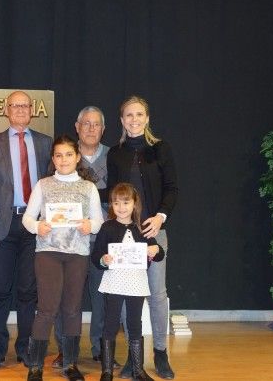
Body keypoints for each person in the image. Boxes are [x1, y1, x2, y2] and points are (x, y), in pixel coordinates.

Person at [107, 96, 178, 380]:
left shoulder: (161, 149)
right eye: (128, 115)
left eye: (139, 115)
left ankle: (160, 353)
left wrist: (160, 216)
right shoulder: (115, 153)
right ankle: (132, 358)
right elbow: (112, 193)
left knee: (157, 296)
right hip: (126, 237)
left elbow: (172, 188)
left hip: (153, 232)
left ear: (147, 118)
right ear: (122, 120)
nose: (134, 120)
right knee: (128, 296)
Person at [0, 91, 53, 370]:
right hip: (2, 224)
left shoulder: (46, 143)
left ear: (32, 110)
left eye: (25, 105)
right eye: (15, 105)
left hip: (35, 225)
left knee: (28, 291)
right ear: (6, 110)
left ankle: (25, 347)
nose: (21, 109)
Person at [23, 135, 104, 381]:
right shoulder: (43, 185)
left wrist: (90, 225)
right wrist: (38, 227)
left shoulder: (88, 187)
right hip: (48, 252)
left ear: (77, 157)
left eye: (68, 154)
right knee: (46, 308)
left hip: (77, 254)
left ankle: (70, 363)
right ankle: (35, 366)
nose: (63, 159)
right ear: (53, 159)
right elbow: (27, 218)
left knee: (72, 309)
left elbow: (99, 221)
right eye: (58, 155)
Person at [51, 106, 121, 370]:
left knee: (102, 296)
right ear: (77, 127)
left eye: (96, 125)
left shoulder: (114, 158)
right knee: (66, 299)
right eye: (86, 124)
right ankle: (65, 350)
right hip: (69, 242)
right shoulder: (66, 157)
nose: (91, 129)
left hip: (104, 241)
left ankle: (101, 349)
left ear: (103, 129)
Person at [92, 183, 165, 381]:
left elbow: (158, 253)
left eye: (126, 202)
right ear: (111, 206)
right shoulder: (107, 227)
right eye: (116, 203)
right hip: (114, 282)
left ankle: (138, 370)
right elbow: (96, 255)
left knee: (135, 324)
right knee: (111, 323)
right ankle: (106, 371)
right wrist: (103, 259)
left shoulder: (142, 227)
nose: (121, 207)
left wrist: (155, 250)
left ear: (134, 204)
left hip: (136, 283)